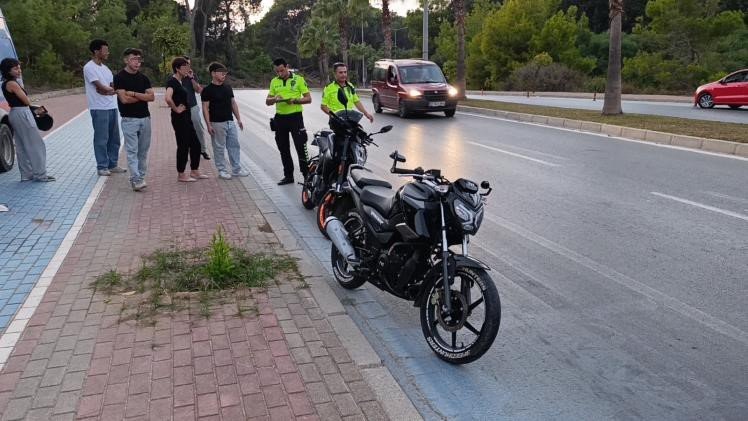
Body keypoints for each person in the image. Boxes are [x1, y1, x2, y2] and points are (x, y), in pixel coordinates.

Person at [0, 58, 54, 182]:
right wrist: (37, 110)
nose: (19, 70)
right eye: (15, 68)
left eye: (19, 67)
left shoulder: (7, 83)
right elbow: (26, 101)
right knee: (36, 144)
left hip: (15, 113)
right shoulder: (12, 84)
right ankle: (40, 174)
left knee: (21, 146)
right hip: (22, 113)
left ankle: (27, 175)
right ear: (8, 70)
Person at [113, 48, 154, 191]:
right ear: (126, 60)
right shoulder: (119, 78)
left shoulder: (144, 78)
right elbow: (124, 99)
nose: (137, 62)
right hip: (129, 120)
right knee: (132, 151)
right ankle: (136, 179)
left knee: (143, 152)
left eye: (139, 60)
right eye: (133, 59)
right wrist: (142, 97)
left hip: (145, 118)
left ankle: (140, 177)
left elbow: (152, 97)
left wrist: (134, 94)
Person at [265, 58, 311, 185]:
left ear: (287, 66)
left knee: (300, 147)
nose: (280, 73)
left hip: (295, 117)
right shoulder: (274, 81)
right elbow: (267, 101)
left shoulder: (299, 79)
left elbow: (308, 99)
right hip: (280, 118)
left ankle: (307, 175)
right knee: (283, 148)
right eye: (277, 71)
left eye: (282, 70)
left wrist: (295, 100)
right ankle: (288, 175)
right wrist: (274, 98)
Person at [83, 39, 126, 176]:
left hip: (112, 107)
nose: (108, 53)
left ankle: (112, 164)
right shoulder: (89, 67)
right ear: (97, 51)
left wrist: (111, 90)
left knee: (114, 138)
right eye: (105, 50)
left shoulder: (105, 69)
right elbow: (100, 88)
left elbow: (112, 86)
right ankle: (102, 166)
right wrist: (111, 91)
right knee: (101, 138)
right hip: (98, 108)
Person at [200, 62, 249, 180]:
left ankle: (236, 169)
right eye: (221, 73)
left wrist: (239, 119)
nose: (224, 75)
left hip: (230, 122)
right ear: (213, 73)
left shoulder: (227, 87)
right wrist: (208, 124)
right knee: (219, 147)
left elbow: (233, 103)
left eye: (225, 73)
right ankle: (222, 170)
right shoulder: (207, 90)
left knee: (234, 146)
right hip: (217, 123)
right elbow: (205, 108)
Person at [165, 57, 208, 182]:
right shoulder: (172, 82)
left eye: (188, 66)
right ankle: (181, 174)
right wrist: (176, 108)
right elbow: (168, 98)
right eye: (184, 67)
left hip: (187, 117)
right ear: (177, 69)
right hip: (179, 118)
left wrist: (191, 77)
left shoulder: (181, 81)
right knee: (183, 145)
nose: (187, 69)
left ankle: (195, 171)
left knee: (195, 144)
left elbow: (198, 90)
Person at [181, 55, 210, 160]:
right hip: (180, 108)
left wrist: (192, 78)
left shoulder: (192, 76)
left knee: (198, 128)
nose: (187, 66)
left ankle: (202, 150)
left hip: (192, 106)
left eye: (189, 64)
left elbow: (199, 90)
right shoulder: (174, 77)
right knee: (184, 131)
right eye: (185, 64)